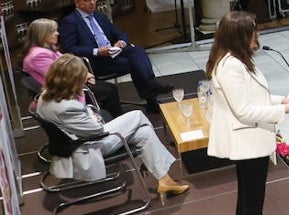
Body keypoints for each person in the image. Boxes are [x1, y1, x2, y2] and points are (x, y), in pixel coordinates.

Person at [206, 12, 289, 215]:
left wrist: (284, 100)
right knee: (252, 204)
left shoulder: (237, 61)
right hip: (247, 141)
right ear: (241, 36)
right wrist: (283, 110)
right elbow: (245, 110)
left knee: (249, 201)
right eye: (254, 32)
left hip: (251, 139)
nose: (257, 37)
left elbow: (256, 96)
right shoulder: (231, 67)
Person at [38, 52, 189, 200]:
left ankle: (164, 180)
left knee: (144, 134)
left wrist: (90, 115)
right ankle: (151, 163)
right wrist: (93, 117)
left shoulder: (45, 97)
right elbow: (96, 130)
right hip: (90, 147)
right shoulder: (67, 107)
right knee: (138, 116)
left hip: (79, 140)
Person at [58, 0, 169, 111]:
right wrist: (97, 51)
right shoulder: (70, 22)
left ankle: (151, 87)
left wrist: (121, 42)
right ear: (78, 3)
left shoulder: (99, 16)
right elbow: (69, 48)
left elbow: (120, 33)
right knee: (135, 64)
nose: (92, 2)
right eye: (87, 0)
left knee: (137, 50)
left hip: (114, 52)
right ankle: (151, 94)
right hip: (97, 61)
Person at [20, 17, 121, 119]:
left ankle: (113, 119)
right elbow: (58, 77)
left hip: (72, 83)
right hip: (63, 92)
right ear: (42, 34)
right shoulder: (38, 56)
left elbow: (68, 65)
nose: (57, 34)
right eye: (53, 31)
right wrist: (85, 76)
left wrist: (86, 74)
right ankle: (115, 122)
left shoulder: (49, 48)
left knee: (110, 87)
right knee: (109, 92)